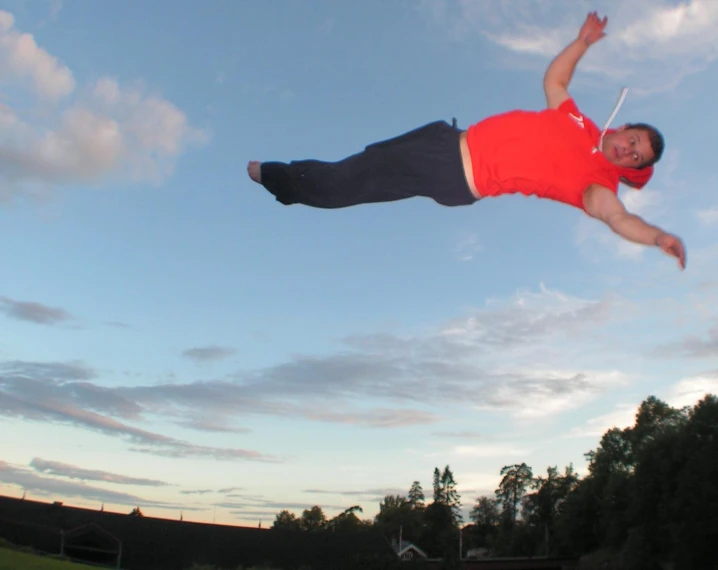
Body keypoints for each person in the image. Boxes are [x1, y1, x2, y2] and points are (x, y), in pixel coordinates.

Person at [247, 11, 686, 270]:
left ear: (630, 169)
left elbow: (617, 219)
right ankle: (290, 181)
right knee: (360, 165)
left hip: (456, 175)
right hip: (442, 139)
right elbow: (556, 78)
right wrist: (583, 42)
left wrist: (656, 236)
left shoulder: (598, 186)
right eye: (634, 140)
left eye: (635, 157)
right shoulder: (576, 120)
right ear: (624, 127)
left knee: (355, 183)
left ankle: (277, 179)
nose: (628, 150)